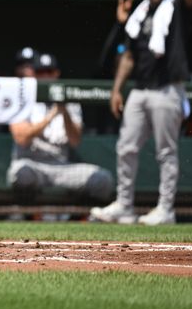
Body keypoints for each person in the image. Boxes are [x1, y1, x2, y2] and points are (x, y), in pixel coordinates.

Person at [91, 0, 192, 225]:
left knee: (166, 152)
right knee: (126, 148)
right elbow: (129, 56)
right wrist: (117, 89)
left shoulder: (175, 9)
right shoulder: (139, 14)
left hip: (167, 89)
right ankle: (124, 205)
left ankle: (165, 209)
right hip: (140, 89)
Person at [7, 53, 114, 204]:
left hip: (61, 166)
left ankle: (80, 220)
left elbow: (75, 141)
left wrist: (64, 113)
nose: (45, 77)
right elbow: (21, 138)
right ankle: (27, 216)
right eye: (40, 72)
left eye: (49, 72)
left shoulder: (69, 99)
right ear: (33, 75)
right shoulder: (22, 98)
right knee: (22, 173)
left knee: (102, 179)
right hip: (32, 164)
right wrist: (50, 117)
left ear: (56, 73)